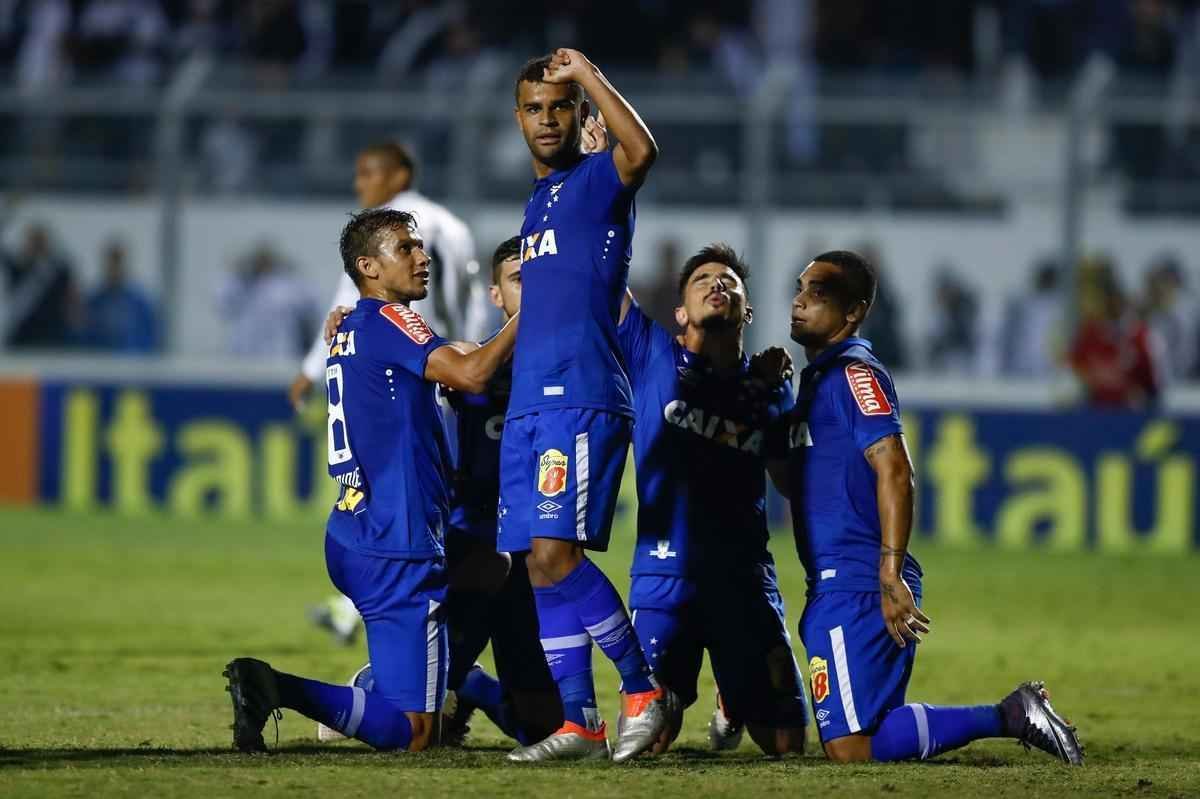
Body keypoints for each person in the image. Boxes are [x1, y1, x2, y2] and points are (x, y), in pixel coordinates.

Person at [223, 209, 518, 753]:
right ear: (368, 267)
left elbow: (459, 359)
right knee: (416, 734)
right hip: (397, 543)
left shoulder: (355, 326)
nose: (422, 257)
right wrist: (533, 312)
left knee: (488, 568)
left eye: (420, 247)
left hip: (354, 530)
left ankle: (430, 681)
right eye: (406, 248)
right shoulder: (389, 320)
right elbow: (471, 373)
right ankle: (278, 687)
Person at [783, 249, 1083, 765]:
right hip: (836, 583)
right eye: (800, 288)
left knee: (851, 748)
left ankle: (1011, 714)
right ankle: (1011, 713)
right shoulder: (817, 381)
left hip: (858, 583)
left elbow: (896, 470)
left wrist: (889, 572)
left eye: (819, 293)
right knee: (862, 737)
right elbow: (797, 483)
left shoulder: (855, 375)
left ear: (853, 311)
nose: (800, 301)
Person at [314, 237, 562, 748]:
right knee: (421, 721)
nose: (534, 290)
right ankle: (390, 686)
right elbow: (449, 367)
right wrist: (357, 326)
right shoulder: (473, 364)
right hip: (469, 545)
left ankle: (465, 686)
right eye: (521, 281)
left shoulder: (577, 367)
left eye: (542, 281)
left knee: (542, 729)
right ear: (496, 295)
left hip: (539, 548)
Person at [499, 49, 670, 763]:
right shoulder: (540, 199)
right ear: (519, 118)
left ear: (579, 115)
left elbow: (642, 151)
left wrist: (591, 75)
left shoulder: (599, 181)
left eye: (560, 107)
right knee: (537, 565)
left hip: (579, 394)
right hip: (530, 404)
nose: (547, 119)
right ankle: (580, 723)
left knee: (555, 552)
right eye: (534, 108)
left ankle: (643, 690)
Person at [616, 243, 808, 756]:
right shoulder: (651, 353)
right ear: (680, 312)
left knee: (786, 744)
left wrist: (781, 407)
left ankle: (734, 690)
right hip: (665, 578)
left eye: (729, 281)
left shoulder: (769, 387)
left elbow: (789, 482)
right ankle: (728, 685)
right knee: (648, 742)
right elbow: (604, 276)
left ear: (748, 311)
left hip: (742, 580)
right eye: (701, 280)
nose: (716, 283)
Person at [288, 141, 488, 412]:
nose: (359, 184)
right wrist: (473, 358)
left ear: (399, 176)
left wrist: (310, 371)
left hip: (402, 368)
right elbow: (475, 303)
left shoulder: (383, 232)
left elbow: (349, 299)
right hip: (452, 371)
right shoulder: (455, 227)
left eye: (367, 174)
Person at [85, 239, 157, 353]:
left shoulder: (140, 303)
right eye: (111, 263)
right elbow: (87, 337)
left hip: (132, 360)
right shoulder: (95, 303)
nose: (115, 269)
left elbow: (150, 338)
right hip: (100, 359)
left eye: (118, 263)